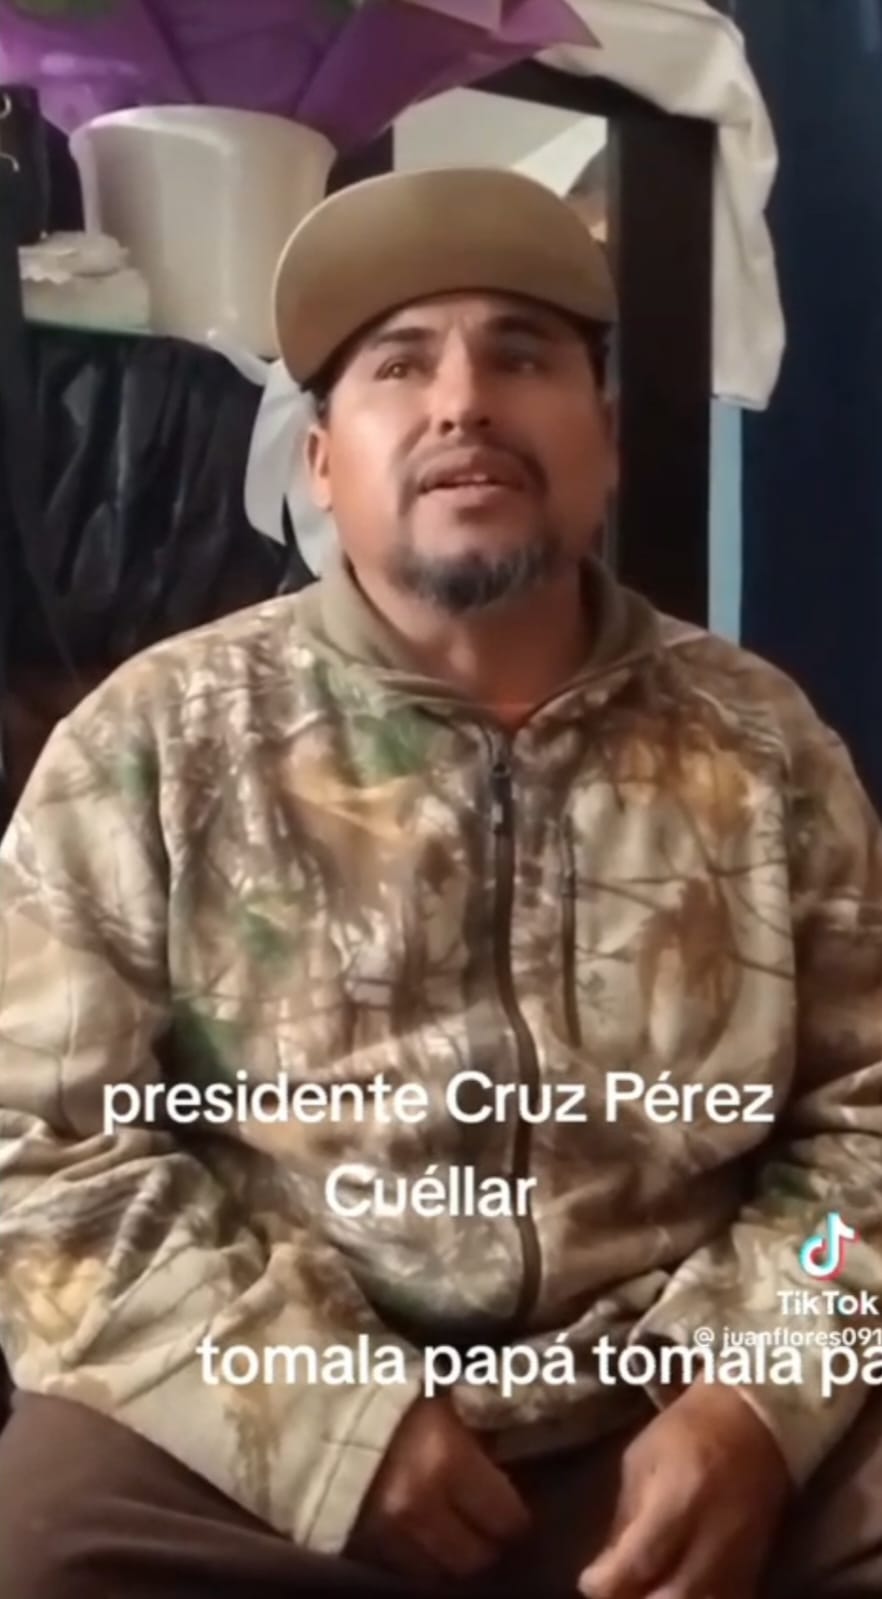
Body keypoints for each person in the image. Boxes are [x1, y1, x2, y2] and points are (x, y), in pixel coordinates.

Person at [0, 166, 880, 1599]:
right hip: (267, 1421)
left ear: (603, 442)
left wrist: (758, 1396)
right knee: (45, 1544)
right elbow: (39, 1154)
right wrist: (328, 1432)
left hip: (671, 1412)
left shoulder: (761, 743)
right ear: (320, 464)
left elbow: (865, 1136)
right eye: (400, 366)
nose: (462, 402)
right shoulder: (152, 744)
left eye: (520, 356)